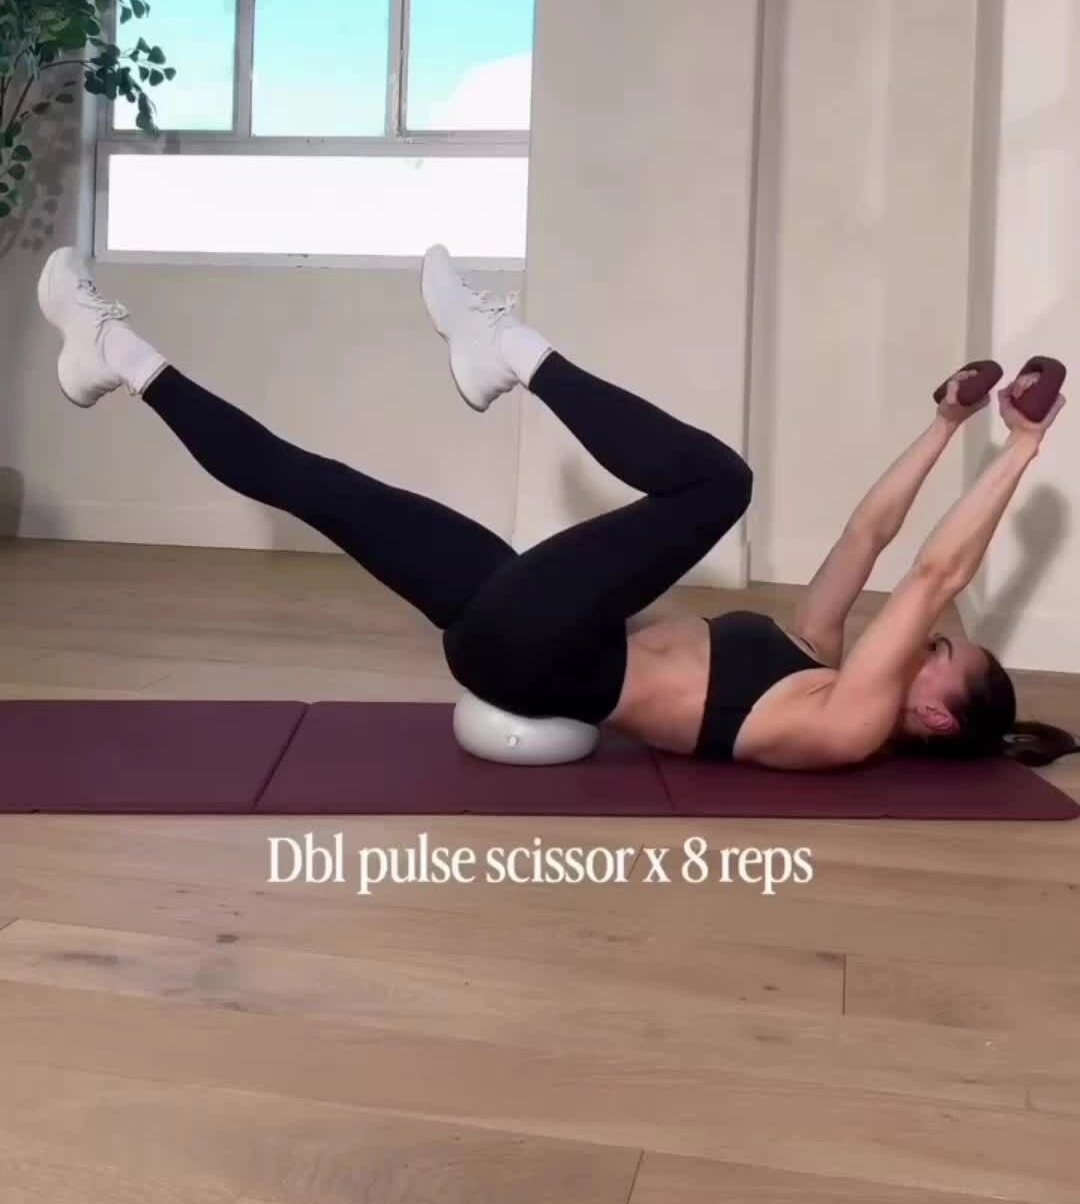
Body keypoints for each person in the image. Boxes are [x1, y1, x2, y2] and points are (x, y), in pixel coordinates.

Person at [37, 243, 1077, 771]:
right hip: (532, 624)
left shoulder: (841, 726)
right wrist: (946, 425)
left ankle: (511, 350)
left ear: (934, 714)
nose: (926, 636)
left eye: (939, 656)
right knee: (321, 485)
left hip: (540, 659)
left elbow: (935, 572)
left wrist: (1022, 449)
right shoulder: (814, 656)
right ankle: (114, 354)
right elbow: (870, 534)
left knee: (719, 484)